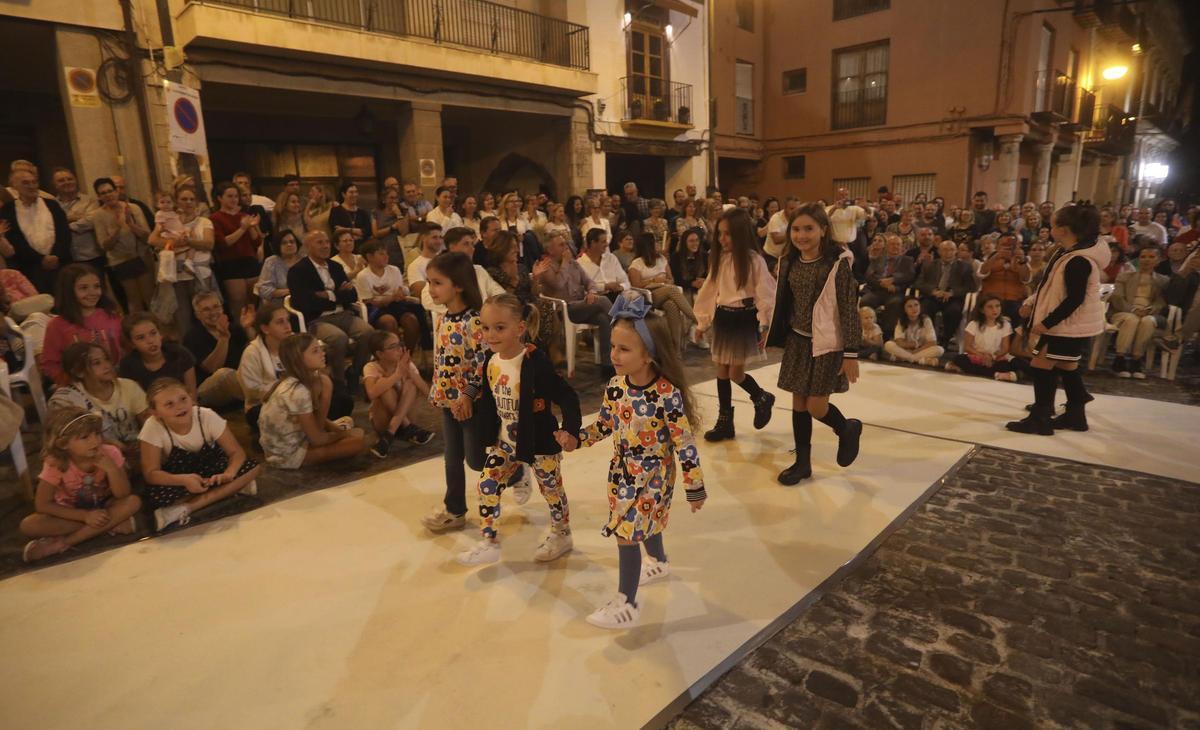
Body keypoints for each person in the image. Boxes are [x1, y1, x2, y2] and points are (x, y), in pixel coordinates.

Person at [567, 291, 705, 629]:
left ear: (649, 355)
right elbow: (603, 426)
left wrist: (695, 485)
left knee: (628, 533)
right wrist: (576, 439)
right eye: (613, 346)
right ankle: (658, 561)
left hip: (654, 477)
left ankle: (626, 603)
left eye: (624, 349)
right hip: (621, 474)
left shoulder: (666, 395)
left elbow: (684, 444)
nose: (614, 354)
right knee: (646, 526)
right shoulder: (615, 386)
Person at [456, 293, 579, 565]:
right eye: (486, 327)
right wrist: (466, 396)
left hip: (539, 444)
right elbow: (478, 381)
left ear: (520, 328)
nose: (491, 334)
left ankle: (562, 534)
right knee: (487, 485)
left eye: (500, 327)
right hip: (506, 444)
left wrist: (571, 431)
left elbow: (567, 395)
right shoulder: (491, 359)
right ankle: (489, 541)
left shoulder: (535, 361)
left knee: (551, 491)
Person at [766, 203, 862, 485]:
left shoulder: (837, 264)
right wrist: (772, 329)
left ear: (823, 230)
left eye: (809, 228)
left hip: (827, 344)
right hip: (798, 341)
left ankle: (846, 428)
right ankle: (802, 464)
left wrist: (851, 352)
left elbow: (848, 307)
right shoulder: (789, 262)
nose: (801, 235)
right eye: (796, 229)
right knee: (798, 403)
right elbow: (785, 302)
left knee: (816, 407)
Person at [1007, 204, 1110, 434]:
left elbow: (1074, 300)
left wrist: (1045, 323)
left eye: (1053, 225)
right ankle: (1076, 414)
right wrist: (1031, 303)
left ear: (1064, 230)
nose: (1050, 228)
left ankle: (1040, 418)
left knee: (1041, 365)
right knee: (1067, 365)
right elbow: (1052, 288)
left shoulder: (1078, 260)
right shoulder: (1068, 253)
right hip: (1071, 325)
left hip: (1067, 325)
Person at [693, 208, 777, 441]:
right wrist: (702, 321)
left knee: (735, 372)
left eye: (728, 234)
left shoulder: (753, 260)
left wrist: (765, 323)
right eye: (719, 234)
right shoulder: (719, 259)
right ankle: (725, 421)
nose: (722, 239)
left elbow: (765, 294)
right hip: (724, 317)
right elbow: (709, 291)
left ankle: (761, 396)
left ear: (740, 234)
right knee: (722, 369)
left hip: (743, 318)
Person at [419, 252, 488, 533]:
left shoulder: (473, 321)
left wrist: (468, 394)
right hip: (450, 400)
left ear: (458, 285)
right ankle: (455, 510)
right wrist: (440, 392)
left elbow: (484, 361)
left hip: (471, 402)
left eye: (437, 283)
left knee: (476, 459)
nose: (431, 289)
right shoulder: (444, 318)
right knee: (452, 456)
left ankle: (517, 469)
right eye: (429, 282)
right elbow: (445, 359)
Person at [19, 408, 141, 562]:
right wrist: (85, 516)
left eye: (97, 434)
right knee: (29, 525)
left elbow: (123, 494)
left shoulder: (110, 452)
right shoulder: (55, 462)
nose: (95, 441)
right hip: (71, 514)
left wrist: (111, 469)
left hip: (105, 508)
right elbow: (42, 504)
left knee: (133, 502)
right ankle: (109, 527)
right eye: (85, 437)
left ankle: (64, 542)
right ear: (63, 444)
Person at [139, 378, 262, 532]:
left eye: (183, 399)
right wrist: (183, 480)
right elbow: (151, 473)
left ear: (191, 398)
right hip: (179, 477)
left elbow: (236, 452)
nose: (179, 407)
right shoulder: (152, 427)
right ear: (155, 413)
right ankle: (230, 490)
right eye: (169, 404)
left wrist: (229, 473)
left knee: (253, 468)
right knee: (155, 498)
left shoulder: (206, 416)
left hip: (213, 469)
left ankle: (187, 507)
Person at [258, 333, 366, 467]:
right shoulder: (297, 391)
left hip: (297, 440)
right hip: (288, 455)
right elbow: (317, 440)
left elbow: (315, 421)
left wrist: (337, 431)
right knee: (358, 441)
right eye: (315, 351)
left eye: (320, 348)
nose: (322, 353)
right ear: (299, 359)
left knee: (348, 422)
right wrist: (344, 434)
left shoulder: (299, 381)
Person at [286, 229, 374, 387]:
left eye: (327, 242)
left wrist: (328, 295)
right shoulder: (298, 271)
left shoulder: (335, 267)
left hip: (343, 314)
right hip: (317, 319)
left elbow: (352, 295)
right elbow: (303, 303)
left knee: (368, 332)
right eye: (320, 242)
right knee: (339, 338)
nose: (325, 246)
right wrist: (337, 295)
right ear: (307, 246)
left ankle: (354, 372)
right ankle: (339, 381)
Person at [47, 341, 149, 461]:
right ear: (78, 372)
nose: (107, 366)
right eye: (97, 363)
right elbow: (74, 441)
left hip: (137, 449)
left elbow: (148, 421)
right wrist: (119, 448)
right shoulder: (67, 399)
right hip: (95, 456)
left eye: (106, 359)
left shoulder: (128, 386)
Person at [535, 231, 615, 377]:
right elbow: (558, 284)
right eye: (561, 245)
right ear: (550, 250)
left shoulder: (574, 264)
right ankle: (624, 326)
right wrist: (565, 263)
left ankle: (607, 365)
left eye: (565, 243)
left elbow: (589, 282)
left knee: (603, 319)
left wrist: (591, 292)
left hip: (581, 305)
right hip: (562, 310)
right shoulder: (546, 266)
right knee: (602, 301)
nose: (565, 247)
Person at [147, 185, 216, 337]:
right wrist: (179, 242)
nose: (188, 202)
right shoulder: (169, 220)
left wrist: (186, 241)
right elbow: (152, 240)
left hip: (200, 274)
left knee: (206, 314)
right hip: (177, 275)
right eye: (184, 199)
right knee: (183, 317)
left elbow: (209, 243)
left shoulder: (204, 222)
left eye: (191, 199)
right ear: (176, 201)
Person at [40, 264, 123, 386]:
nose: (92, 292)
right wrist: (72, 384)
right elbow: (50, 364)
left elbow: (126, 349)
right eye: (83, 288)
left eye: (97, 286)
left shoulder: (113, 317)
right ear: (68, 291)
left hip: (118, 382)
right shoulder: (57, 326)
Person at [363, 330, 433, 458]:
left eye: (399, 344)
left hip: (404, 416)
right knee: (385, 387)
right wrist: (397, 375)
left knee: (411, 384)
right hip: (383, 421)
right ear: (380, 354)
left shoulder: (405, 364)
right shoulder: (371, 366)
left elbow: (428, 393)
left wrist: (408, 371)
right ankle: (407, 428)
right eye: (392, 347)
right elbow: (371, 393)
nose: (399, 349)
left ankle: (390, 434)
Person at [0, 168, 71, 293]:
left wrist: (56, 255)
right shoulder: (7, 211)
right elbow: (15, 241)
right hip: (31, 269)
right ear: (14, 186)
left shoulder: (52, 205)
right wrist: (40, 259)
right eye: (26, 183)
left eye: (34, 182)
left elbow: (64, 234)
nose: (32, 186)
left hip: (60, 265)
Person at [92, 176, 155, 314]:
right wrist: (118, 228)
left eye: (110, 191)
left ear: (116, 191)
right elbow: (104, 245)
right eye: (103, 193)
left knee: (150, 297)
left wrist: (130, 224)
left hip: (141, 256)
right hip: (120, 260)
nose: (108, 195)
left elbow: (147, 236)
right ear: (98, 196)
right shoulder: (98, 215)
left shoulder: (133, 208)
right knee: (134, 300)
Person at [355, 239, 428, 353]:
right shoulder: (363, 276)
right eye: (381, 254)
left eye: (386, 253)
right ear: (369, 257)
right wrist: (391, 297)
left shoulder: (394, 270)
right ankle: (394, 356)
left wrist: (402, 292)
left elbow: (399, 292)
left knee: (411, 319)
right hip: (376, 309)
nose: (386, 256)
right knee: (389, 321)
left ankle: (407, 355)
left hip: (395, 305)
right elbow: (369, 301)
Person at [628, 232, 697, 348]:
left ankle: (676, 348)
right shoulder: (636, 263)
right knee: (672, 290)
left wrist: (667, 281)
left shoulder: (662, 259)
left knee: (672, 306)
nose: (658, 244)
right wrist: (655, 280)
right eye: (656, 242)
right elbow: (636, 285)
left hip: (665, 290)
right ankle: (697, 318)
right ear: (648, 245)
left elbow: (671, 278)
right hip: (648, 295)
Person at [184, 291, 252, 408]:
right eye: (206, 309)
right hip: (206, 389)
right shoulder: (193, 336)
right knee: (224, 375)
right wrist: (223, 339)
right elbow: (212, 368)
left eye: (216, 307)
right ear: (197, 315)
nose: (213, 312)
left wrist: (248, 328)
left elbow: (252, 351)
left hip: (238, 382)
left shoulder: (233, 328)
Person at [1108, 246, 1167, 379]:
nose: (1147, 260)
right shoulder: (1125, 276)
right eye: (1143, 256)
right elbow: (1117, 297)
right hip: (1124, 311)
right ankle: (1119, 359)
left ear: (1158, 260)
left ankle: (1136, 360)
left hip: (1148, 312)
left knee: (1147, 322)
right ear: (1138, 259)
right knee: (1131, 319)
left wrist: (1149, 310)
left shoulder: (1163, 280)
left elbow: (1160, 301)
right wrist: (1133, 309)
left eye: (1152, 257)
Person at [420, 227, 506, 316]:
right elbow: (427, 300)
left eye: (472, 244)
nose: (472, 249)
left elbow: (499, 294)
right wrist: (456, 308)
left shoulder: (478, 270)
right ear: (452, 247)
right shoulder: (442, 272)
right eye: (466, 244)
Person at [210, 181, 263, 319]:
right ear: (220, 198)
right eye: (230, 196)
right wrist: (243, 228)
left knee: (254, 301)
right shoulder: (215, 218)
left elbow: (256, 241)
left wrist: (252, 226)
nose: (234, 199)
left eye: (236, 196)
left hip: (249, 260)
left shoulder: (243, 216)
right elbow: (223, 243)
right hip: (231, 263)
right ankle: (241, 333)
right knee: (238, 302)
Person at [237, 303, 293, 434]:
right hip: (264, 405)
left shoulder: (295, 343)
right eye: (280, 322)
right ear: (265, 328)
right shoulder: (252, 352)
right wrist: (281, 387)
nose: (287, 326)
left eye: (288, 320)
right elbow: (251, 390)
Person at [118, 312, 198, 400]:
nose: (150, 341)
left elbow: (191, 392)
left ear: (160, 334)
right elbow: (138, 403)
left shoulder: (179, 353)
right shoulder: (128, 366)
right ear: (132, 343)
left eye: (153, 333)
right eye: (141, 338)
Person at [945, 294, 1018, 381]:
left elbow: (1005, 348)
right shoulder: (973, 324)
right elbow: (967, 347)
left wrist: (993, 357)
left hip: (995, 357)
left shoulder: (1005, 324)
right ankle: (995, 374)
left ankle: (971, 371)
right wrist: (982, 356)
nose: (995, 310)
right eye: (990, 307)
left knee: (1004, 365)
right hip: (977, 355)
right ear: (982, 310)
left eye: (997, 306)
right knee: (960, 359)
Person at [915, 240, 975, 346]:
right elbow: (919, 283)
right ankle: (930, 337)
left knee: (954, 312)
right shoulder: (929, 265)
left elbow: (970, 287)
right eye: (945, 250)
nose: (948, 253)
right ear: (939, 251)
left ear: (956, 251)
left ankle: (945, 339)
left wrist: (953, 293)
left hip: (953, 298)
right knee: (924, 308)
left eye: (951, 250)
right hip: (932, 297)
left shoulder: (965, 267)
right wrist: (933, 291)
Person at [860, 234, 915, 338]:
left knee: (894, 303)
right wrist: (883, 283)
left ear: (902, 246)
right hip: (877, 290)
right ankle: (867, 332)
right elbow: (868, 276)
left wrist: (894, 280)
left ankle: (887, 335)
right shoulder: (878, 258)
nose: (895, 247)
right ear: (887, 246)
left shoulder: (907, 260)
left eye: (898, 244)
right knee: (865, 301)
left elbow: (909, 276)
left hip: (896, 292)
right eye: (892, 244)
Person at [53, 168, 103, 272]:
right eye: (61, 180)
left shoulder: (90, 200)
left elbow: (90, 221)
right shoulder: (51, 205)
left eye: (69, 179)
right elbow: (50, 227)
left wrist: (62, 225)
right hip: (66, 258)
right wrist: (74, 218)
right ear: (55, 185)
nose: (66, 182)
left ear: (76, 181)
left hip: (90, 255)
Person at [978, 235, 1030, 324]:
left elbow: (1026, 279)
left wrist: (1021, 261)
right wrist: (997, 255)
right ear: (997, 246)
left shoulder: (1022, 260)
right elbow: (982, 273)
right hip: (991, 299)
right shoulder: (989, 259)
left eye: (1011, 245)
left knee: (1018, 312)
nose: (1008, 247)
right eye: (1004, 245)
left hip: (1014, 300)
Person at [883, 297, 944, 366]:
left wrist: (915, 351)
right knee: (888, 344)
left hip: (921, 350)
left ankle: (904, 358)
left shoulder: (926, 320)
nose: (914, 308)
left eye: (916, 305)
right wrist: (916, 344)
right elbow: (899, 342)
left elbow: (932, 342)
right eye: (910, 306)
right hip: (905, 350)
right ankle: (920, 360)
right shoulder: (901, 321)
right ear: (905, 309)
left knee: (939, 349)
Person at [577, 228, 630, 300]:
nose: (607, 244)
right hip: (596, 299)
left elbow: (625, 282)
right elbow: (582, 289)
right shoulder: (579, 264)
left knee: (638, 300)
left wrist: (621, 287)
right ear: (593, 243)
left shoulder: (611, 258)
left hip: (618, 294)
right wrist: (605, 286)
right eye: (603, 242)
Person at [256, 229, 302, 307]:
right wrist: (289, 291)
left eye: (292, 242)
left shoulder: (304, 261)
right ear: (278, 245)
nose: (289, 244)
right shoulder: (271, 262)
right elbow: (264, 290)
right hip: (279, 305)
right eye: (284, 243)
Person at [405, 226, 444, 299]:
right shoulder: (415, 266)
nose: (439, 241)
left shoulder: (447, 261)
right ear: (423, 238)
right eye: (434, 237)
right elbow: (419, 291)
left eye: (440, 237)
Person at [673, 228, 709, 304]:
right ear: (684, 243)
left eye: (697, 240)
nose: (695, 243)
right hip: (684, 289)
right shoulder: (676, 257)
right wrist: (691, 283)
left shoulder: (705, 256)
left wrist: (704, 280)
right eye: (691, 241)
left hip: (702, 288)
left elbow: (709, 274)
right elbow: (676, 279)